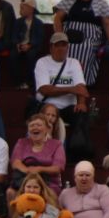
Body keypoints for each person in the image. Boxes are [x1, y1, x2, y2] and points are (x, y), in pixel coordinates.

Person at [33, 30, 94, 166]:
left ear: (68, 47)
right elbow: (45, 89)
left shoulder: (74, 63)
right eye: (57, 45)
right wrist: (71, 89)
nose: (61, 48)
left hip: (68, 106)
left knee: (82, 113)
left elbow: (81, 88)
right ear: (51, 47)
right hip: (48, 105)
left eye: (64, 45)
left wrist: (82, 102)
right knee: (48, 113)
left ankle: (78, 152)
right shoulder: (42, 62)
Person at [52, 0, 109, 67]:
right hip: (70, 35)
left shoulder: (99, 0)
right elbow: (57, 18)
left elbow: (107, 22)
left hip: (91, 37)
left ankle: (82, 80)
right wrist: (60, 37)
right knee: (65, 47)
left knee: (86, 47)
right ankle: (65, 78)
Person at [10, 110, 66, 198]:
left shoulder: (56, 144)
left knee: (50, 192)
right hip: (25, 180)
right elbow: (15, 163)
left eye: (39, 125)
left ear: (47, 129)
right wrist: (29, 173)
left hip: (48, 182)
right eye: (32, 125)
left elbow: (58, 168)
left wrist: (39, 169)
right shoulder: (21, 142)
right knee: (10, 192)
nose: (35, 127)